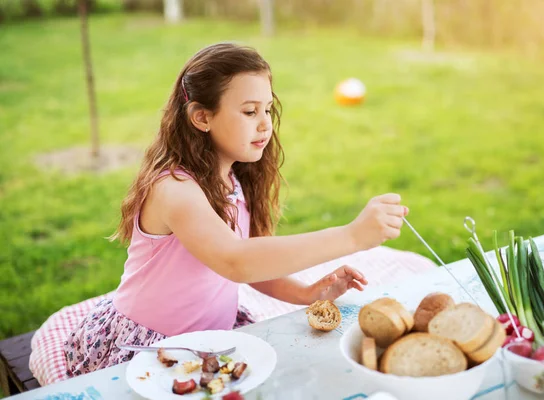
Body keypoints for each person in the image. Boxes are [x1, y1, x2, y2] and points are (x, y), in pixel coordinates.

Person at [64, 42, 409, 376]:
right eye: (249, 111)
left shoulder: (233, 179)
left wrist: (306, 293)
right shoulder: (174, 189)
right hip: (149, 348)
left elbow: (257, 261)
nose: (264, 124)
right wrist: (352, 236)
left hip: (211, 339)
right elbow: (236, 261)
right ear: (201, 117)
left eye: (267, 110)